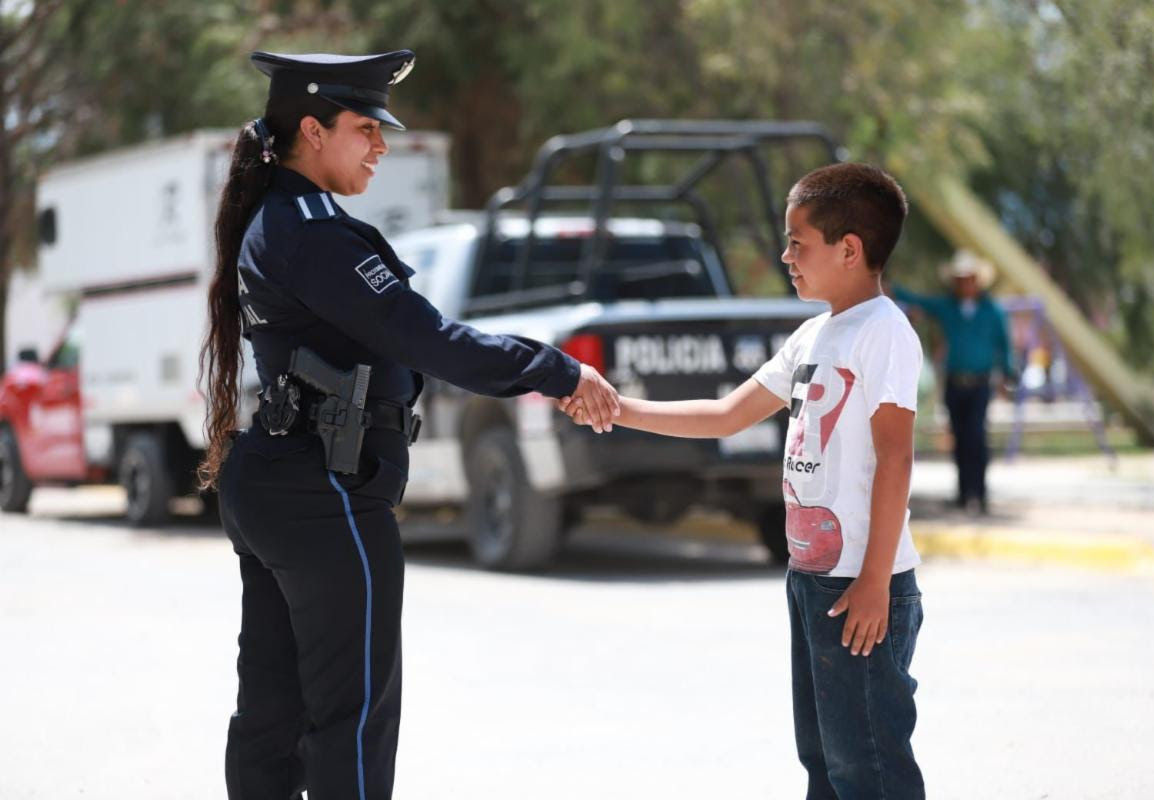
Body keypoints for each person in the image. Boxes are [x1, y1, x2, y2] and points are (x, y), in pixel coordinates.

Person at [198, 50, 618, 800]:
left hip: (279, 478)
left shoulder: (281, 219)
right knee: (351, 719)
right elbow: (430, 339)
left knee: (271, 714)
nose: (381, 145)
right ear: (312, 130)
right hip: (326, 492)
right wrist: (558, 370)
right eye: (366, 128)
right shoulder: (314, 232)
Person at [565, 162, 925, 799]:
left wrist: (873, 582)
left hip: (860, 586)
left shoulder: (884, 333)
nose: (784, 255)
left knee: (869, 762)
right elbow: (728, 414)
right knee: (825, 759)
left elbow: (895, 460)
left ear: (850, 250)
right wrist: (620, 409)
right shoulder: (815, 334)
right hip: (813, 579)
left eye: (797, 242)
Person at [891, 251, 1014, 513]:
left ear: (977, 280)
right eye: (959, 279)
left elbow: (1004, 345)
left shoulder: (992, 310)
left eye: (968, 278)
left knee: (977, 437)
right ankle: (962, 493)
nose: (964, 283)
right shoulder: (946, 307)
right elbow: (918, 301)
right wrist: (890, 287)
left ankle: (979, 494)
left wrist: (1007, 373)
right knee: (959, 437)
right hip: (954, 383)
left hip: (980, 384)